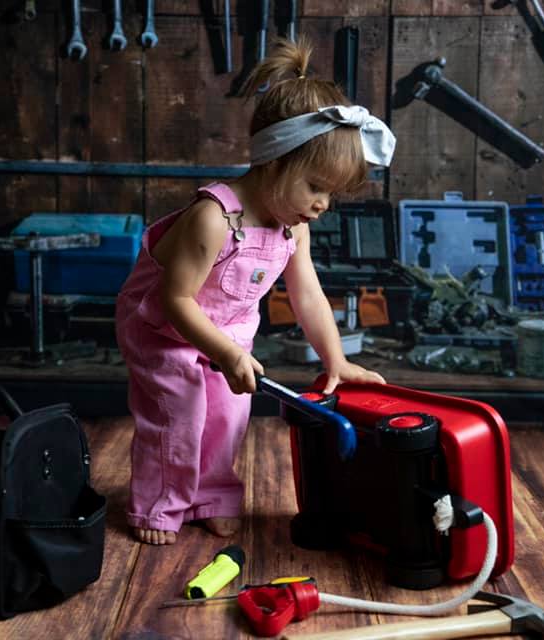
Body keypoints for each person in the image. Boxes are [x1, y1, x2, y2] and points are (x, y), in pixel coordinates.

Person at [115, 38, 396, 545]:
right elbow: (175, 301)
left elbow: (306, 293)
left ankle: (211, 495)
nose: (323, 204)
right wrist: (222, 351)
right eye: (316, 186)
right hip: (164, 329)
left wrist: (335, 360)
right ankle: (159, 503)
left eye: (331, 194)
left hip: (227, 335)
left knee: (228, 415)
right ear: (274, 160)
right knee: (178, 412)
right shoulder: (214, 218)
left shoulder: (292, 227)